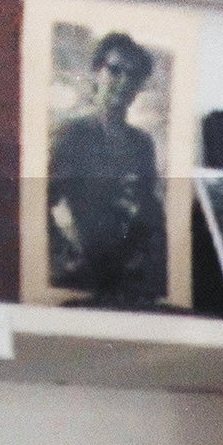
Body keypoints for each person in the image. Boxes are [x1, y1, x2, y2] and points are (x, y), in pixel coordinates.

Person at [46, 28, 168, 304]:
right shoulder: (72, 135)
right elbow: (43, 204)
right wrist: (67, 255)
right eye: (114, 70)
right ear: (97, 73)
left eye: (133, 76)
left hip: (128, 275)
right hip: (79, 274)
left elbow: (150, 210)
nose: (123, 82)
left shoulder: (141, 143)